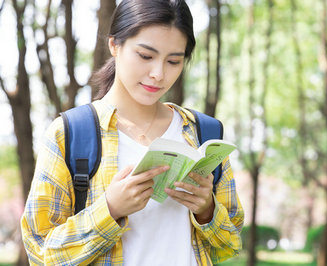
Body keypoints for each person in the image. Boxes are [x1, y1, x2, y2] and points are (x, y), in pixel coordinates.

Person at [20, 0, 244, 265]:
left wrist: (207, 211)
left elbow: (229, 246)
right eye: (146, 56)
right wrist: (110, 209)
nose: (158, 74)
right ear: (114, 45)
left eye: (173, 61)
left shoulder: (202, 133)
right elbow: (41, 253)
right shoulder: (70, 133)